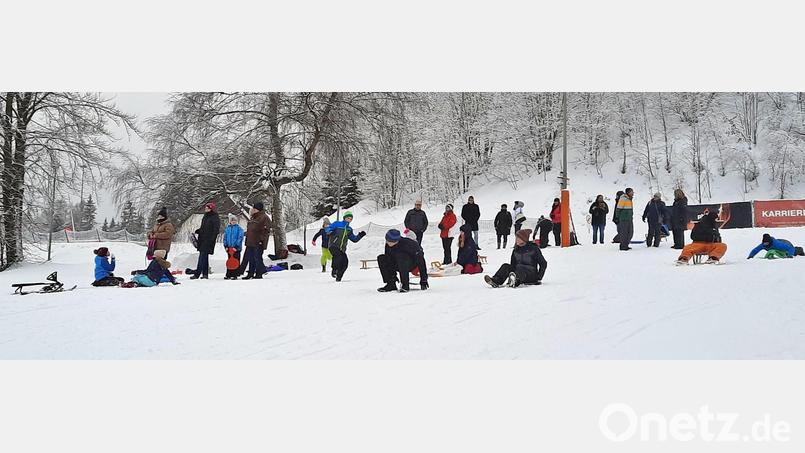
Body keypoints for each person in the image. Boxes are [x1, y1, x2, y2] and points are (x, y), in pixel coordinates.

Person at [326, 211, 366, 282]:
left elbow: (354, 239)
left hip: (342, 249)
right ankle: (334, 270)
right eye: (348, 218)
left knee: (345, 262)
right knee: (338, 256)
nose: (349, 220)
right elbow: (328, 229)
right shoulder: (337, 224)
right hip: (333, 245)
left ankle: (339, 277)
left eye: (351, 219)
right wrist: (330, 231)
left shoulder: (349, 229)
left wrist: (360, 236)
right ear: (344, 218)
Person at [190, 202, 221, 279]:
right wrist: (199, 231)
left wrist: (212, 239)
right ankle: (205, 274)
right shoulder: (205, 217)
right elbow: (204, 228)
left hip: (208, 240)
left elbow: (215, 230)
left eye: (207, 208)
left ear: (211, 209)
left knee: (202, 256)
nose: (205, 209)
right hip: (202, 239)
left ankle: (197, 274)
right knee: (204, 257)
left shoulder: (215, 217)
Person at [241, 202, 271, 280]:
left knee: (257, 257)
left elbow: (265, 231)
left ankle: (259, 273)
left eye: (254, 208)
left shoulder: (264, 217)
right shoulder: (253, 217)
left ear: (258, 209)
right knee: (251, 258)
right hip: (250, 241)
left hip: (258, 241)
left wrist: (261, 240)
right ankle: (250, 273)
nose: (253, 210)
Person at [222, 214, 245, 279]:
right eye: (232, 220)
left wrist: (236, 246)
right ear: (230, 221)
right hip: (229, 248)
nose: (233, 221)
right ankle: (229, 274)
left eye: (235, 220)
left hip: (236, 248)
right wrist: (226, 246)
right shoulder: (227, 229)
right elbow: (225, 238)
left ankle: (235, 274)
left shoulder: (239, 229)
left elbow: (240, 238)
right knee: (230, 261)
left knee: (236, 261)